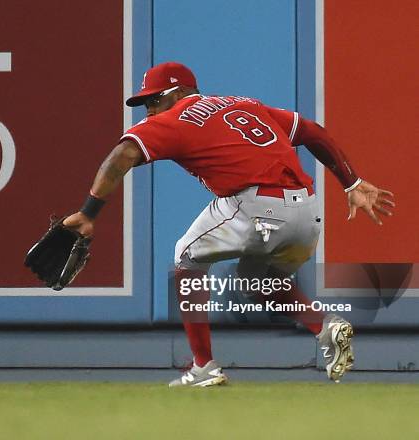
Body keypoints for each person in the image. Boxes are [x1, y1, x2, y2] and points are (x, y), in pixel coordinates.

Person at [63, 62, 395, 387]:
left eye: (154, 100)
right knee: (258, 280)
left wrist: (89, 212)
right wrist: (351, 183)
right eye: (145, 103)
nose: (149, 110)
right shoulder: (245, 104)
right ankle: (325, 327)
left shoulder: (177, 118)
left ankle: (203, 366)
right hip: (307, 211)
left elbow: (121, 156)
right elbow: (312, 132)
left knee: (185, 257)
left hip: (257, 206)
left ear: (177, 93)